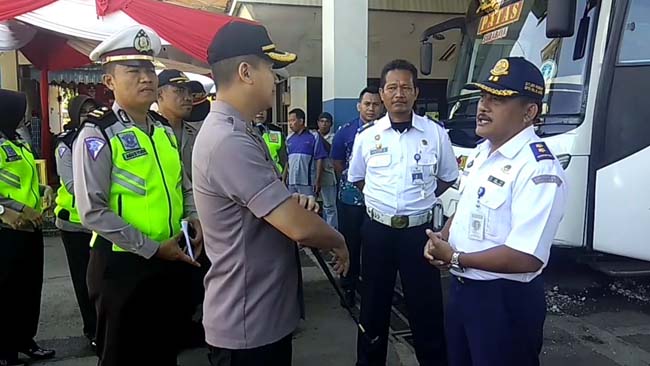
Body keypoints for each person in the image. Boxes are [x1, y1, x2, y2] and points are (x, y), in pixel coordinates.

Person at [192, 20, 349, 366]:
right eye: (271, 69)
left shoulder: (241, 132)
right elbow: (299, 228)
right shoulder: (228, 140)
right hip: (248, 325)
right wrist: (338, 240)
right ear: (246, 72)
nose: (276, 79)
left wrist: (293, 204)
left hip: (260, 316)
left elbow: (264, 208)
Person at [424, 57, 568, 366]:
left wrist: (456, 258)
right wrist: (443, 238)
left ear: (529, 112)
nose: (483, 106)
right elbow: (467, 205)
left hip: (504, 302)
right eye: (483, 96)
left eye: (498, 99)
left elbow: (527, 255)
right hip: (464, 291)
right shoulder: (482, 152)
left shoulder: (538, 168)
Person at [72, 26, 203, 366]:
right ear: (109, 81)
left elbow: (183, 186)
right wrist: (151, 247)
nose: (146, 78)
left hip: (169, 258)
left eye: (149, 70)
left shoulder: (161, 129)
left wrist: (194, 220)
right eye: (133, 71)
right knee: (123, 357)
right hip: (123, 266)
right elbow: (92, 210)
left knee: (163, 353)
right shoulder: (97, 132)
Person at [348, 59, 458, 366]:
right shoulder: (367, 136)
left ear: (415, 93)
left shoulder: (435, 134)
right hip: (378, 232)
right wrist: (381, 202)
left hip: (418, 235)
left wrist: (420, 200)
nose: (399, 93)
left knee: (427, 310)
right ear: (382, 94)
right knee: (372, 308)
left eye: (406, 87)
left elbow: (448, 177)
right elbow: (357, 178)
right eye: (392, 87)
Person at [0, 89, 56, 366]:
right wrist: (14, 210)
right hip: (6, 230)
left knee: (29, 288)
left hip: (30, 227)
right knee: (6, 291)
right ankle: (5, 349)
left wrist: (45, 190)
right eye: (20, 110)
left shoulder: (17, 142)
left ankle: (25, 340)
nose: (24, 116)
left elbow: (27, 181)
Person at [156, 69, 207, 347]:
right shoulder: (149, 131)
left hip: (196, 218)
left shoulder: (195, 133)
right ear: (159, 95)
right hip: (163, 222)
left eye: (189, 93)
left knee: (192, 279)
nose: (187, 98)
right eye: (179, 92)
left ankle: (187, 326)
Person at [54, 95, 99, 350]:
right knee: (84, 280)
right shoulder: (66, 143)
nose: (89, 114)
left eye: (93, 109)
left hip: (100, 225)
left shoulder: (100, 136)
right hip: (75, 225)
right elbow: (72, 184)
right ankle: (91, 329)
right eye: (84, 111)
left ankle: (102, 325)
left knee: (101, 281)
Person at [331, 86, 383, 307]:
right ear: (359, 106)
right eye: (367, 104)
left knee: (374, 247)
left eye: (375, 104)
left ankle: (371, 290)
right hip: (350, 200)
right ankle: (348, 287)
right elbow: (337, 163)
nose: (371, 108)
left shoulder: (387, 130)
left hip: (378, 202)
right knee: (350, 244)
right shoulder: (346, 130)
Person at [285, 108, 328, 196]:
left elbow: (319, 159)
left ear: (301, 121)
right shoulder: (289, 138)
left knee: (308, 207)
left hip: (308, 182)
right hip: (292, 182)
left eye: (293, 120)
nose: (290, 124)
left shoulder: (313, 136)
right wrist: (284, 178)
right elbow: (287, 161)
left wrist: (318, 181)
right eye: (289, 121)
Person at [316, 112, 338, 229]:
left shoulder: (334, 137)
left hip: (328, 176)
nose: (324, 124)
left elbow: (330, 150)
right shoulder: (312, 136)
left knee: (329, 207)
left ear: (331, 124)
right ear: (318, 123)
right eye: (322, 121)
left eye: (327, 122)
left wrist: (318, 137)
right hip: (314, 176)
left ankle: (331, 232)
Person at [254, 109, 287, 174]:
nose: (260, 112)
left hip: (275, 177)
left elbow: (284, 159)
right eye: (257, 108)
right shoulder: (243, 130)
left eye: (264, 108)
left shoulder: (276, 131)